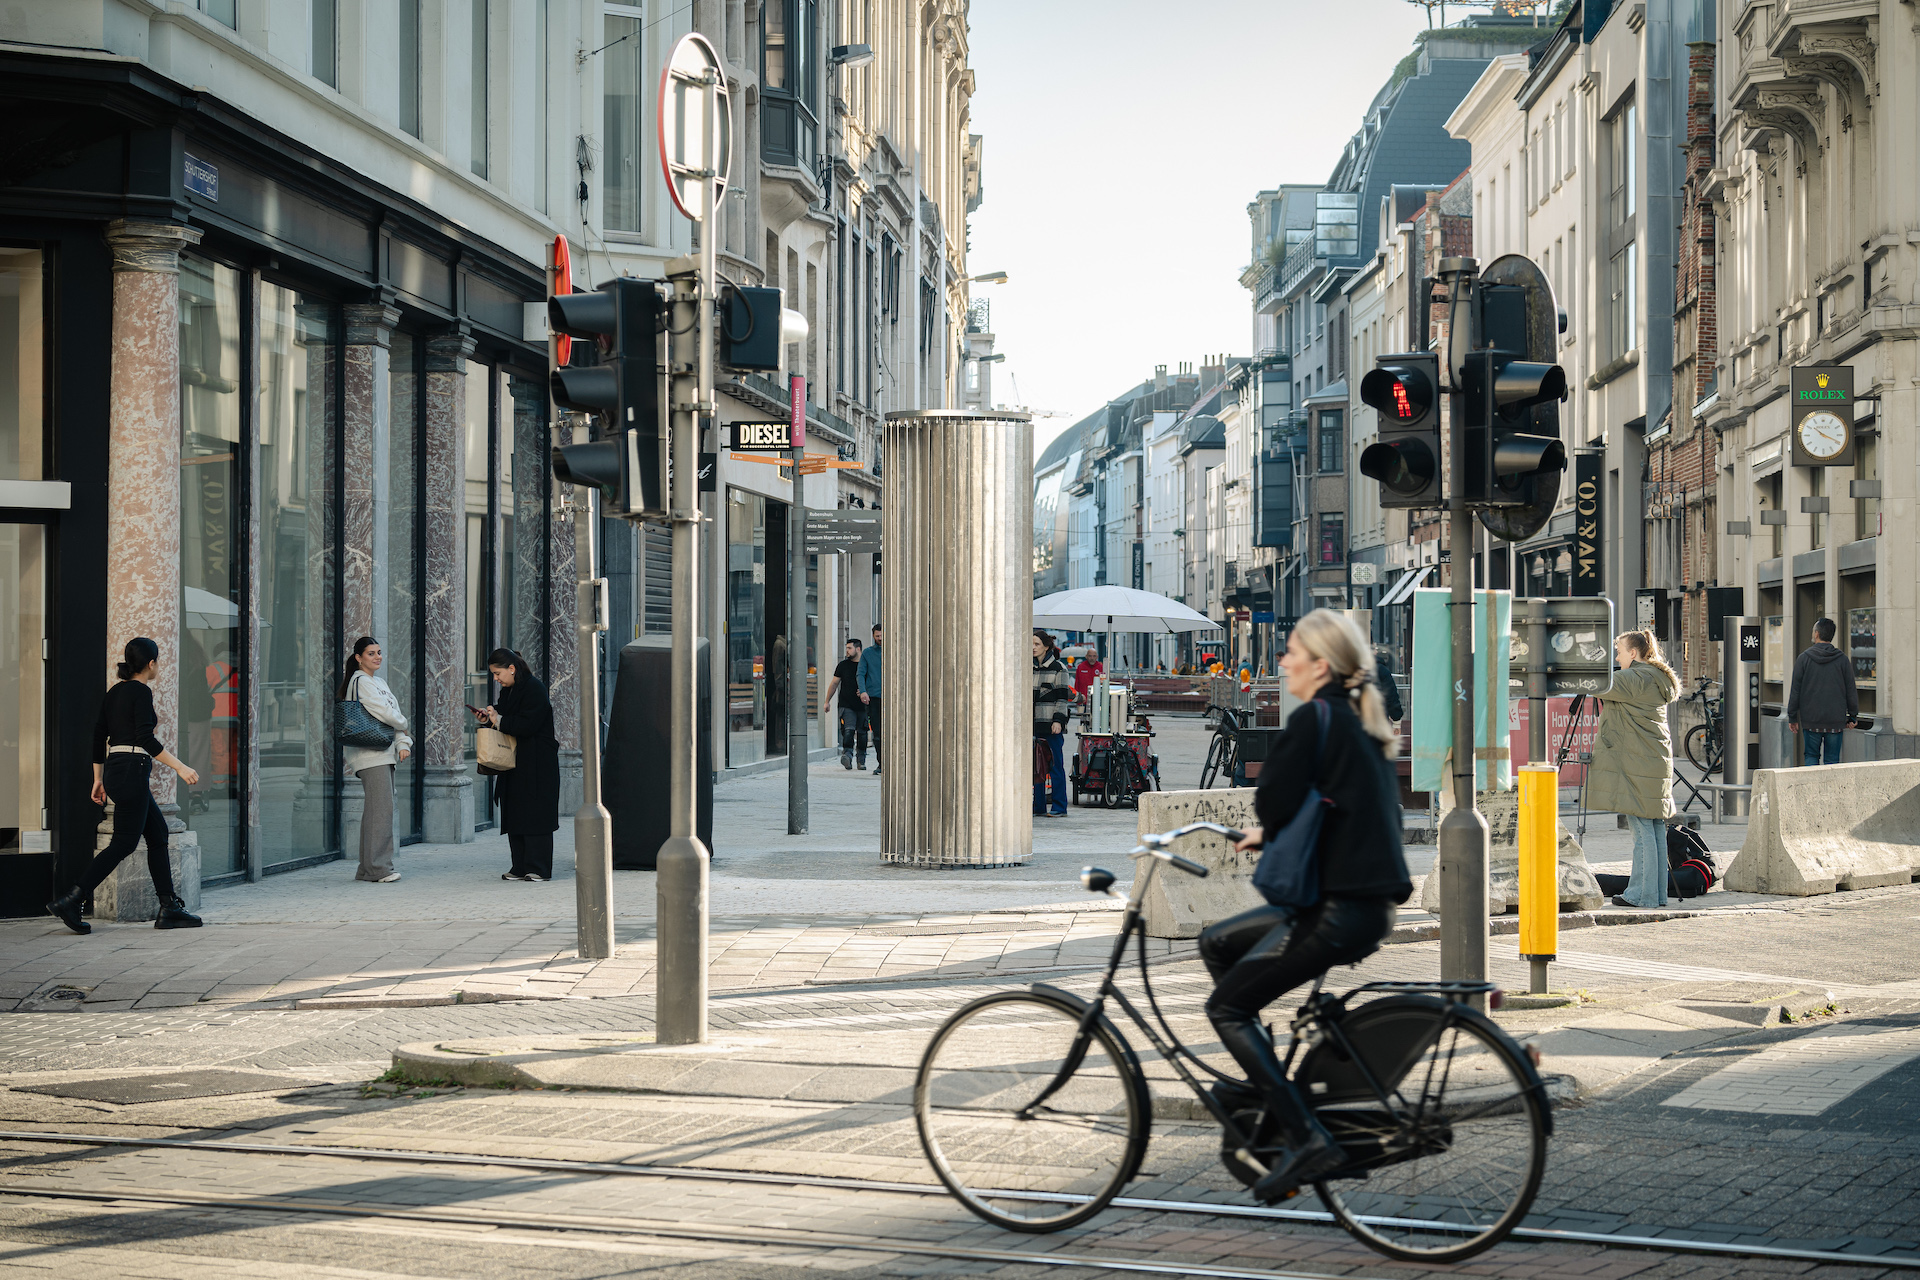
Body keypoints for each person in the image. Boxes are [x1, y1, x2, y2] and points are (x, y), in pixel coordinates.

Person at [1204, 609, 1410, 1204]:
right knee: (1217, 942)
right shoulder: (1355, 722)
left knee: (1226, 1009)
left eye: (1293, 651)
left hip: (1336, 911)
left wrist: (1269, 825)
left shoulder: (1313, 719)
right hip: (1359, 905)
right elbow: (1340, 805)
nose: (1284, 661)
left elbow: (1274, 799)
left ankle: (1305, 1134)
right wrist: (1275, 833)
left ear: (1320, 665)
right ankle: (1264, 1084)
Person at [48, 638, 204, 934]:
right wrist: (181, 767)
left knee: (158, 835)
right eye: (158, 662)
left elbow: (98, 737)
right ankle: (73, 898)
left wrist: (97, 778)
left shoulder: (115, 692)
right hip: (133, 769)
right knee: (124, 842)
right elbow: (145, 738)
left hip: (117, 771)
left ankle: (169, 907)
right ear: (151, 664)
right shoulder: (141, 692)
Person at [1587, 630, 1678, 908]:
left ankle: (1641, 895)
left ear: (1634, 654)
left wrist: (1590, 658)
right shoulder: (1654, 676)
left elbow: (1594, 682)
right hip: (1653, 761)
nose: (1616, 657)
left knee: (1641, 830)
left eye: (1619, 651)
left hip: (1637, 764)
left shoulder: (1634, 677)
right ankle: (1657, 894)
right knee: (1653, 828)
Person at [476, 648, 560, 882]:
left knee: (535, 813)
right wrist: (490, 716)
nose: (496, 678)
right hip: (516, 762)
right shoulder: (509, 690)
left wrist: (499, 720)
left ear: (512, 669)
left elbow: (528, 723)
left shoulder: (534, 688)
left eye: (497, 673)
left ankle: (538, 867)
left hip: (536, 763)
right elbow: (505, 717)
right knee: (515, 810)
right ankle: (520, 866)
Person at [339, 636, 412, 883]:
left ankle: (366, 869)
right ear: (359, 658)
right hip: (369, 753)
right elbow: (385, 713)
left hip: (382, 751)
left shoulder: (378, 681)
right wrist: (404, 724)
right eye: (371, 653)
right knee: (381, 811)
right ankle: (378, 869)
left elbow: (394, 713)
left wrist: (403, 741)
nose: (378, 656)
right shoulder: (360, 681)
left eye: (379, 652)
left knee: (377, 811)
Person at [1787, 617, 1858, 766]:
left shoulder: (1803, 659)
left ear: (1817, 634)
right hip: (1835, 721)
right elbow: (1851, 690)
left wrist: (1792, 717)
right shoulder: (1842, 659)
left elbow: (1795, 691)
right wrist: (1852, 716)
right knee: (1832, 760)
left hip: (1811, 720)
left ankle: (1811, 788)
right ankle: (1830, 789)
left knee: (1811, 755)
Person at [1032, 631, 1074, 817]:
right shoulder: (1028, 668)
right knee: (1036, 767)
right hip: (1031, 725)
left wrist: (1058, 721)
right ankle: (1038, 806)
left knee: (1055, 766)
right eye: (1031, 644)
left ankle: (1059, 806)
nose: (1032, 647)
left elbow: (1062, 698)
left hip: (1051, 725)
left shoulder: (1059, 668)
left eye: (1037, 644)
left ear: (1046, 646)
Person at [824, 638, 868, 770]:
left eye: (849, 648)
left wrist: (866, 691)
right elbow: (834, 683)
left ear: (858, 649)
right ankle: (847, 755)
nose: (847, 651)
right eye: (846, 648)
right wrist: (827, 701)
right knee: (848, 731)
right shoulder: (843, 665)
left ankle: (861, 759)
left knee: (862, 733)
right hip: (846, 704)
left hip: (863, 705)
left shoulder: (866, 665)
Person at [857, 623, 883, 775]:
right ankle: (881, 763)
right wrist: (863, 692)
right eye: (877, 636)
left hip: (892, 699)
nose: (880, 639)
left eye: (882, 636)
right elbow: (860, 673)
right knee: (877, 733)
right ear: (873, 636)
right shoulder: (867, 653)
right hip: (874, 698)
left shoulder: (896, 651)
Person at [1373, 646, 1405, 722]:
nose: (1376, 651)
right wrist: (1396, 714)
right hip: (1378, 717)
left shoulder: (1352, 668)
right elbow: (1390, 695)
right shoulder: (1381, 669)